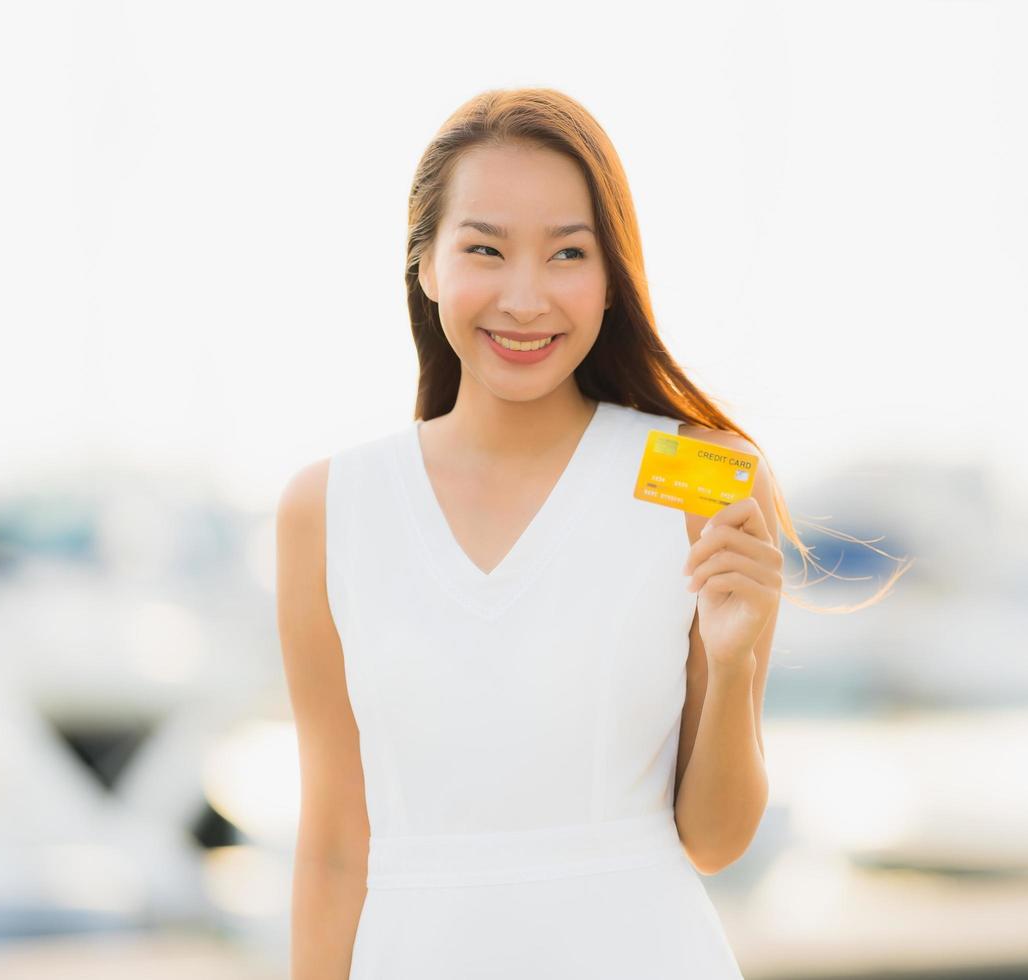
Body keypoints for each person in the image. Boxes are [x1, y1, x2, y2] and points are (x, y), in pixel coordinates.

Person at [276, 87, 793, 979]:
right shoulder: (329, 507)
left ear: (610, 276)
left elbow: (714, 841)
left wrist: (737, 659)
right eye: (485, 249)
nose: (525, 297)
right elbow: (333, 844)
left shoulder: (699, 477)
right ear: (427, 265)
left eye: (566, 254)